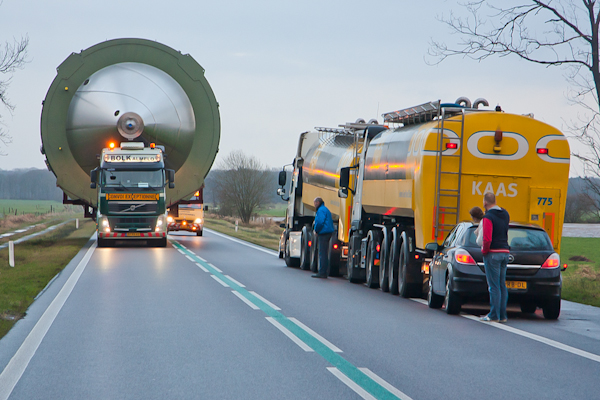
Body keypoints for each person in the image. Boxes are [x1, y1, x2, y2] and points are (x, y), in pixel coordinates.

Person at [480, 192, 510, 322]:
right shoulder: (505, 214)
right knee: (502, 284)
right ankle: (502, 315)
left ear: (485, 203)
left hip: (493, 253)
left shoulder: (488, 217)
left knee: (493, 286)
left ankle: (493, 315)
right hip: (505, 252)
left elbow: (487, 238)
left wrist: (484, 251)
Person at [311, 197, 334, 279]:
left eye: (315, 203)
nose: (314, 205)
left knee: (322, 253)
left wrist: (316, 230)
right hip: (328, 232)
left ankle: (322, 272)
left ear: (318, 202)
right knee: (324, 252)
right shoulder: (325, 209)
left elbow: (320, 221)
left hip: (324, 233)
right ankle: (324, 271)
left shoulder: (321, 210)